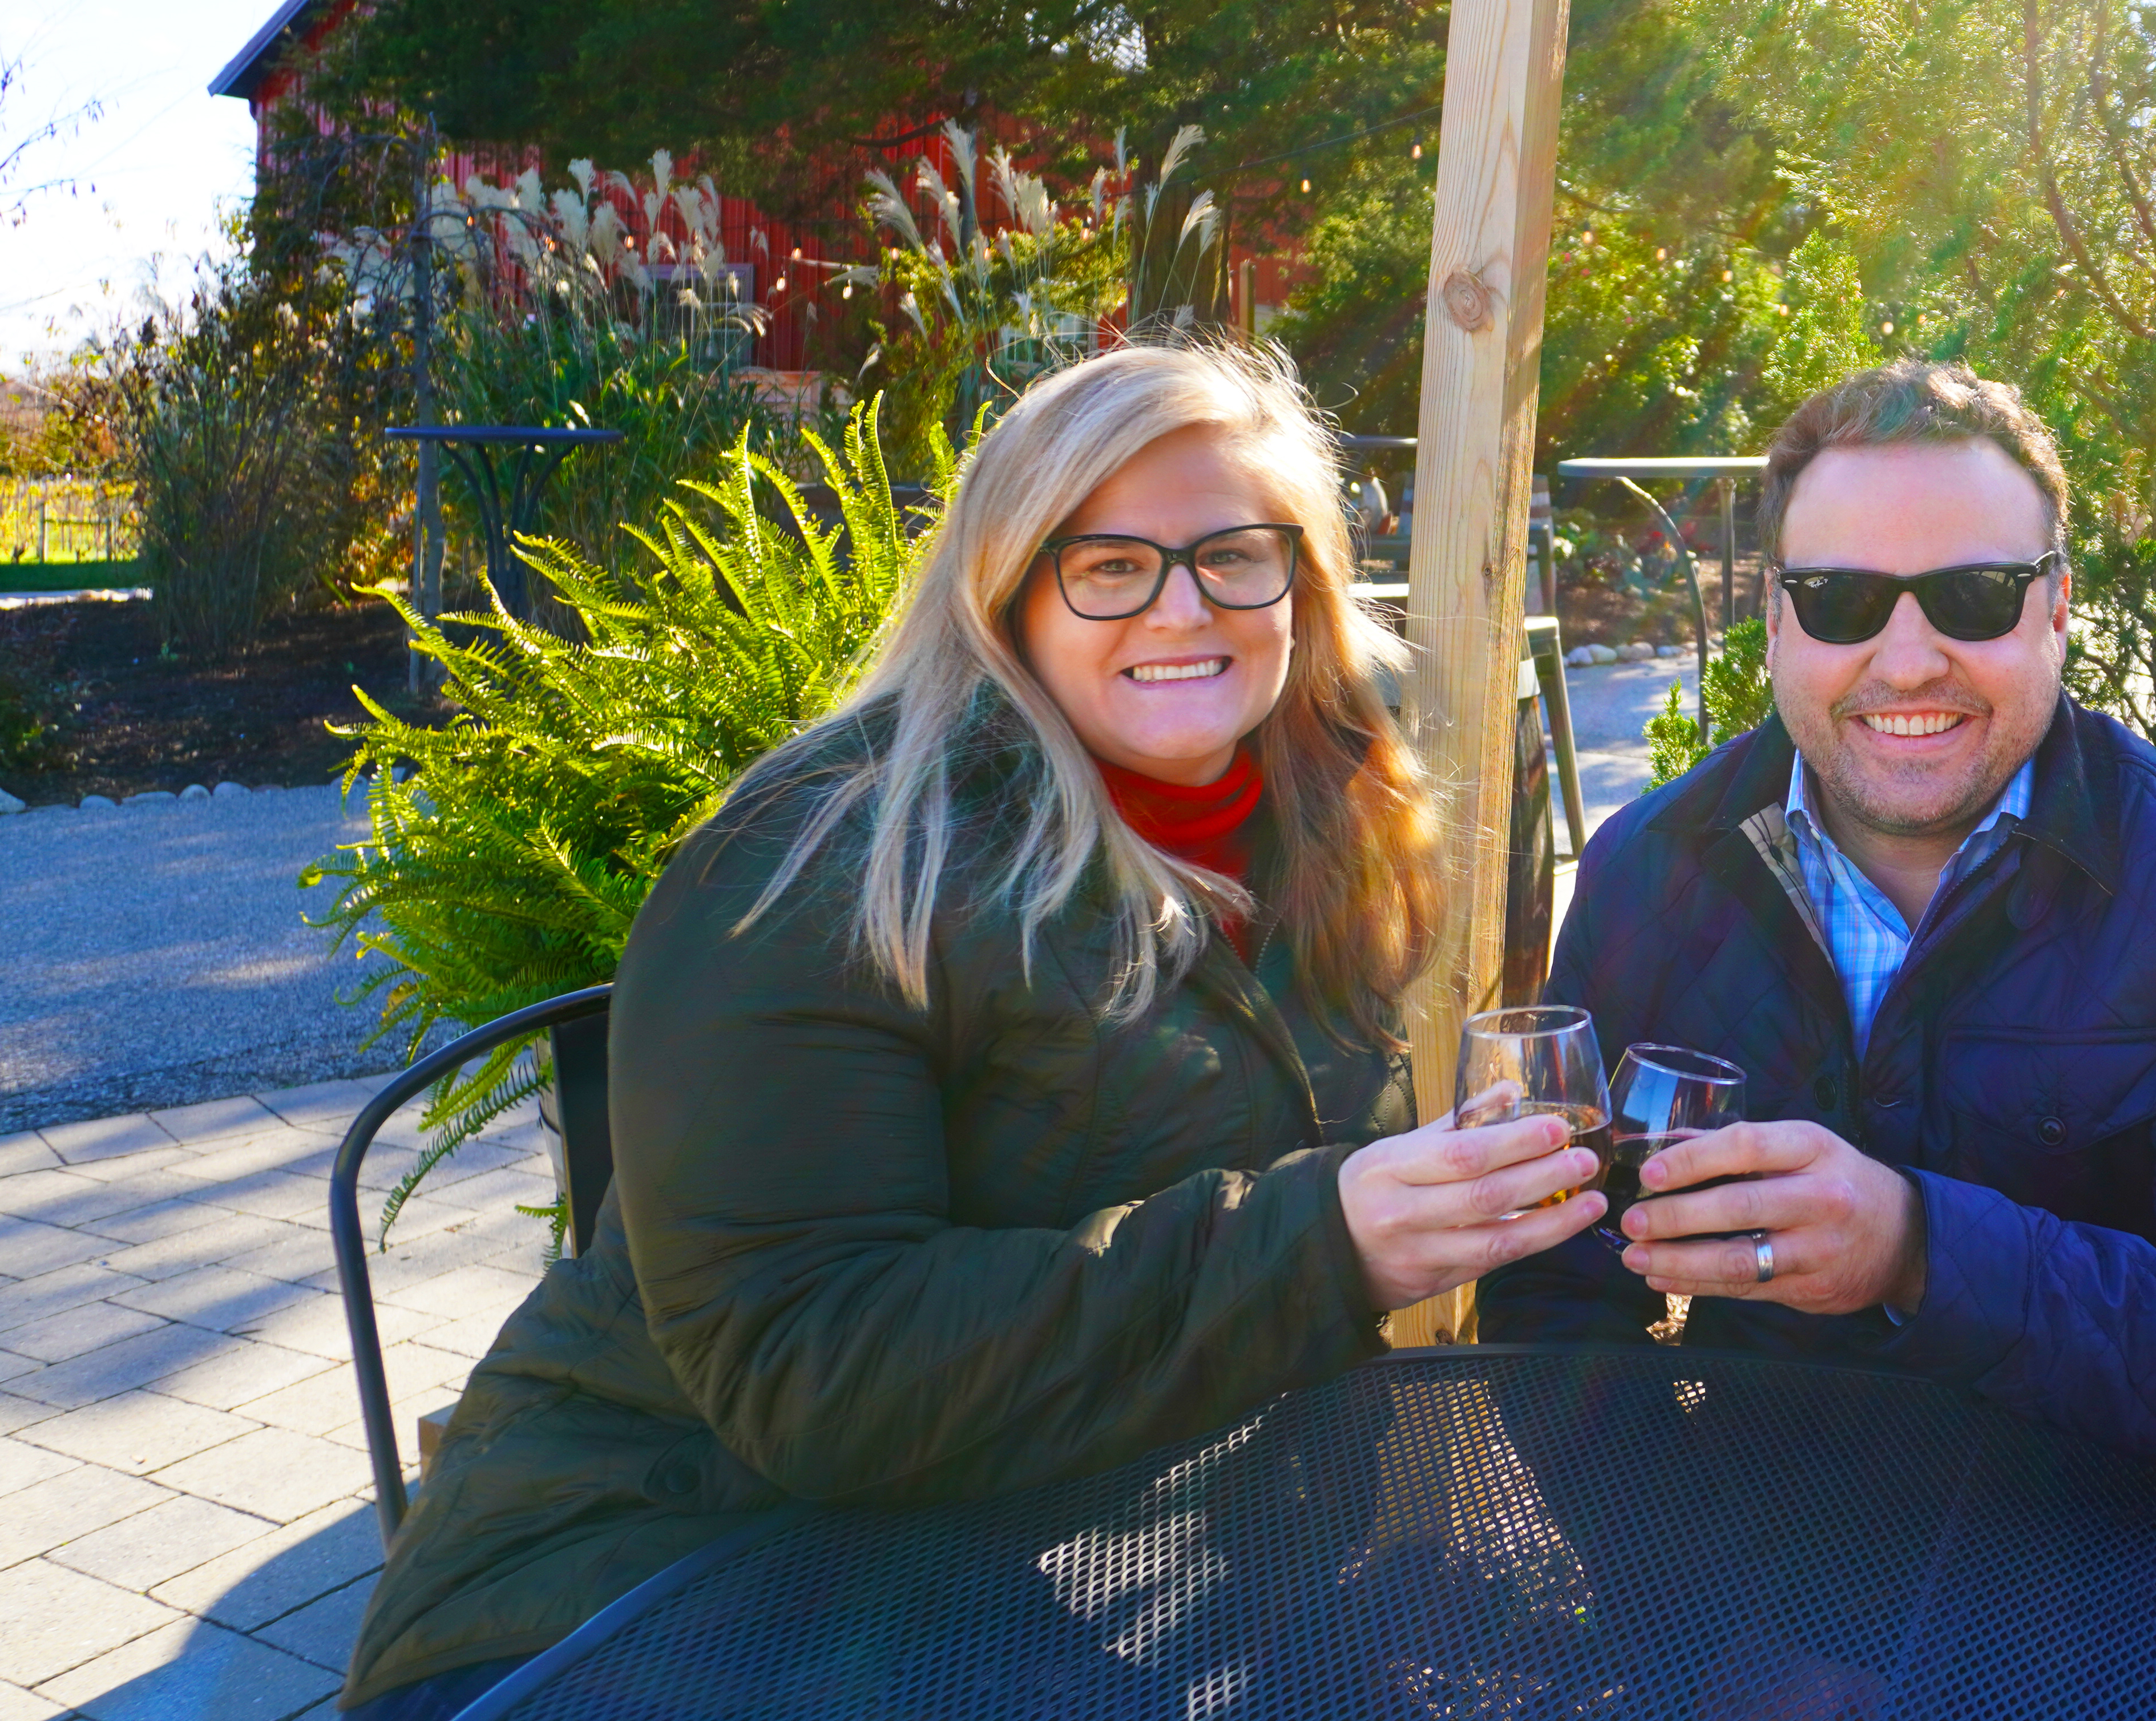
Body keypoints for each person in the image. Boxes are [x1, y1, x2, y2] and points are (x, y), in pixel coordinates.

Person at [338, 344, 1611, 1717]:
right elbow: (811, 1364)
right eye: (1109, 565)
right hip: (643, 1583)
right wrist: (1324, 1237)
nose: (1182, 607)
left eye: (1235, 555)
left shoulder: (1320, 821)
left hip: (1007, 1551)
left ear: (1300, 586)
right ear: (1006, 592)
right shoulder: (827, 858)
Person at [1483, 358, 2156, 1496]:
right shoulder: (1648, 872)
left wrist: (1919, 1249)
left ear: (2057, 608)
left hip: (2127, 1606)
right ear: (1775, 616)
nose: (1911, 658)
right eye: (1842, 599)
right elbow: (1556, 1301)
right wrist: (1703, 1636)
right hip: (1762, 1580)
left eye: (1974, 594)